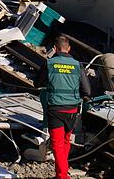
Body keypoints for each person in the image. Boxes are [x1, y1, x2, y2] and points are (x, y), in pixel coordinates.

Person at [35, 35, 92, 179]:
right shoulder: (78, 65)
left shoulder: (49, 64)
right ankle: (62, 173)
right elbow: (87, 91)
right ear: (69, 48)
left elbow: (38, 84)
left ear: (54, 48)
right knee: (66, 141)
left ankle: (61, 176)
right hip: (72, 110)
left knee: (57, 144)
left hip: (55, 109)